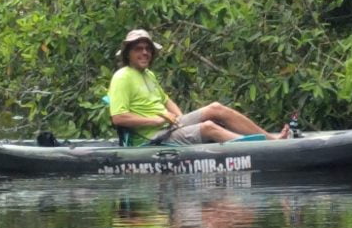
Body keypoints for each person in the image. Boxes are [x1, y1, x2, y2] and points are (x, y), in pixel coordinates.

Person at [107, 29, 290, 145]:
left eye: (148, 49)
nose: (145, 53)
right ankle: (258, 150)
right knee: (208, 127)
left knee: (216, 108)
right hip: (152, 136)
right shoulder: (122, 77)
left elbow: (166, 100)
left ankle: (270, 138)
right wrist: (155, 121)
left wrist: (179, 119)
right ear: (128, 53)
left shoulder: (148, 75)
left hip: (167, 126)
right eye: (138, 49)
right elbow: (119, 117)